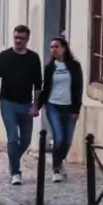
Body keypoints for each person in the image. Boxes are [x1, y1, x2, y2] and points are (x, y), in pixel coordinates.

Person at [0, 25, 43, 185]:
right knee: (12, 138)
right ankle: (15, 172)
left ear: (27, 40)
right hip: (7, 102)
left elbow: (38, 85)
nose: (18, 41)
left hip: (26, 103)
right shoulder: (4, 57)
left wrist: (35, 106)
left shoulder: (33, 58)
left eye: (21, 38)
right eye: (16, 38)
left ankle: (13, 159)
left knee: (25, 140)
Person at [35, 37, 83, 182]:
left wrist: (76, 109)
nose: (53, 50)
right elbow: (45, 88)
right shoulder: (50, 67)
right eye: (51, 47)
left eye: (56, 47)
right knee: (59, 137)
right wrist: (36, 106)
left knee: (67, 140)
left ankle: (59, 160)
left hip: (69, 107)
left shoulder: (74, 66)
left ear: (64, 48)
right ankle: (56, 169)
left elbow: (78, 89)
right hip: (52, 105)